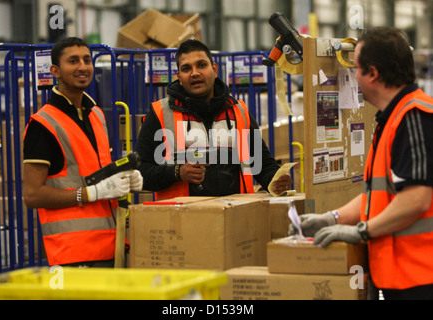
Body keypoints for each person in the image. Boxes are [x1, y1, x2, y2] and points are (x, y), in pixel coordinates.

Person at [290, 27, 433, 300]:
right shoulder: (390, 120)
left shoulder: (413, 117)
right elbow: (377, 197)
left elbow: (416, 200)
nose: (354, 77)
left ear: (373, 73)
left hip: (421, 278)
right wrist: (331, 218)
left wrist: (362, 231)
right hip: (399, 276)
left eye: (356, 68)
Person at [23, 37, 143, 267]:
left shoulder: (95, 114)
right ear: (55, 70)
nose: (83, 67)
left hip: (111, 246)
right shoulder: (42, 124)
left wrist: (123, 181)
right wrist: (91, 193)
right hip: (72, 255)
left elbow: (95, 175)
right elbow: (32, 196)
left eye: (87, 60)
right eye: (73, 61)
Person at [134, 39, 292, 199]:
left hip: (235, 216)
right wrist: (176, 172)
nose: (195, 73)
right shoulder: (160, 114)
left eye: (201, 65)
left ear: (215, 69)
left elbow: (262, 165)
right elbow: (139, 173)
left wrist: (275, 180)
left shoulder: (239, 112)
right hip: (182, 219)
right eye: (186, 68)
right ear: (179, 77)